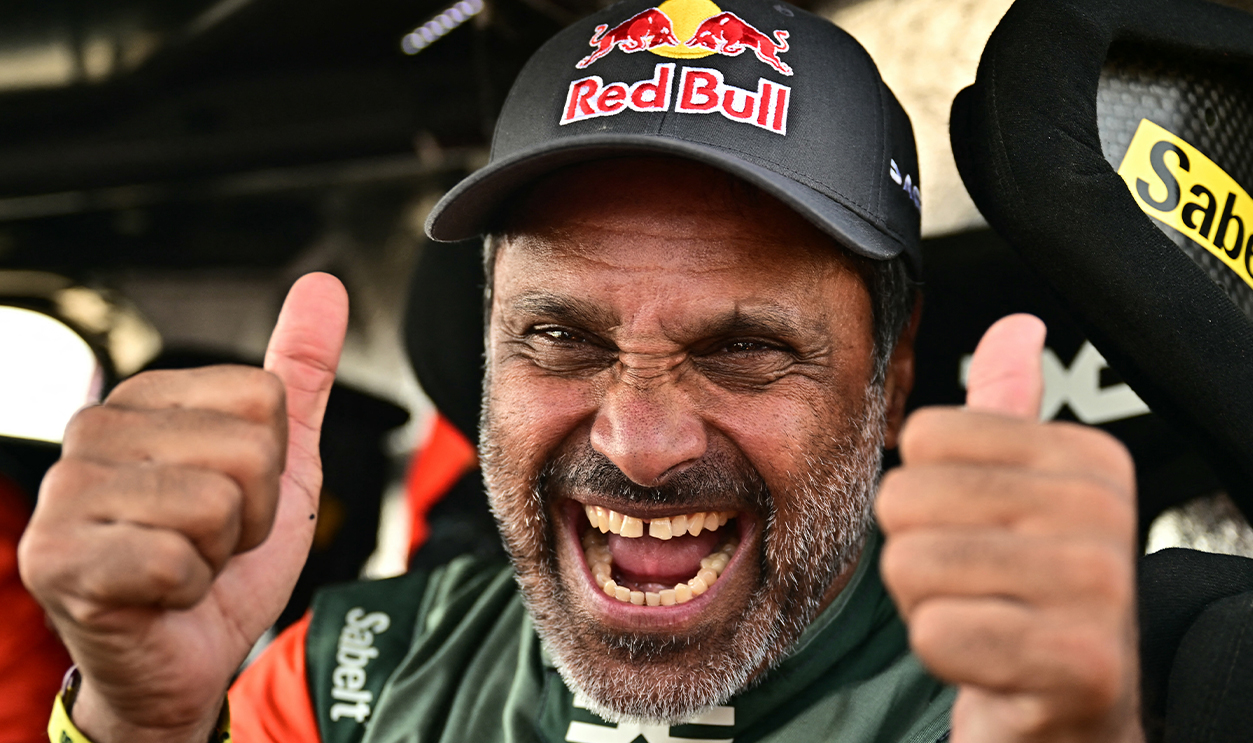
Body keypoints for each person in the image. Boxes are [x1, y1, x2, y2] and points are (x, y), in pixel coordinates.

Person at [18, 1, 1143, 741]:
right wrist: (131, 717)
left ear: (888, 376)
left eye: (743, 348)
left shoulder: (1070, 686)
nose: (637, 441)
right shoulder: (350, 680)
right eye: (560, 337)